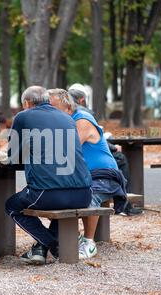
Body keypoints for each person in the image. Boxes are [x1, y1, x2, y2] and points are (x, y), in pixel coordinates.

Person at [5, 86, 93, 265]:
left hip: (48, 194)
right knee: (61, 205)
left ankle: (52, 245)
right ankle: (40, 249)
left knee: (11, 205)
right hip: (84, 193)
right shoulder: (67, 118)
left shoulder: (23, 116)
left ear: (26, 103)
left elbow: (13, 158)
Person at [48, 88, 129, 259]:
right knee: (51, 195)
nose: (50, 113)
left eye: (54, 108)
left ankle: (88, 242)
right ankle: (70, 236)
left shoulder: (82, 120)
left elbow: (66, 149)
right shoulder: (64, 123)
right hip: (84, 177)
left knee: (87, 194)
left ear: (69, 109)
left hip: (105, 176)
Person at [68, 83, 141, 207]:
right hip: (95, 171)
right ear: (82, 100)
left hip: (89, 170)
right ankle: (125, 202)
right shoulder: (84, 114)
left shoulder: (78, 115)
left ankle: (122, 199)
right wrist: (113, 147)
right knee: (120, 158)